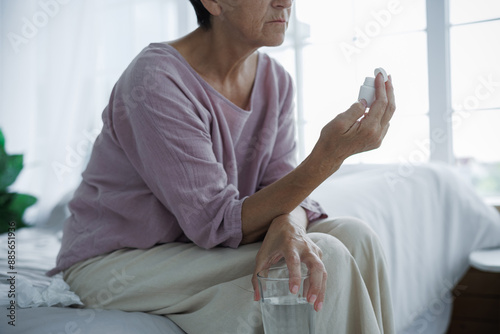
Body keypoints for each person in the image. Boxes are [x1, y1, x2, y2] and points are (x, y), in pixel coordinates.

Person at [47, 0, 396, 332]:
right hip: (116, 262)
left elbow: (281, 187)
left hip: (195, 250)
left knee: (356, 236)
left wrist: (288, 224)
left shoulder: (275, 81)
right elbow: (215, 223)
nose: (286, 2)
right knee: (324, 256)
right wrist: (328, 157)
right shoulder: (154, 80)